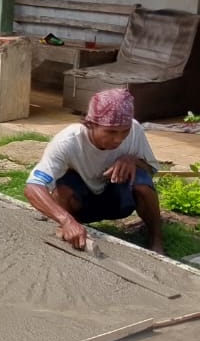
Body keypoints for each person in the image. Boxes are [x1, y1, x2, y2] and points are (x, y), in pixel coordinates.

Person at [24, 87, 164, 254]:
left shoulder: (135, 130)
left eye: (124, 131)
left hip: (117, 201)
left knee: (142, 182)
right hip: (81, 205)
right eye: (111, 132)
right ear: (90, 124)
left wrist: (133, 161)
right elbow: (33, 187)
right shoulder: (68, 141)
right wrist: (66, 220)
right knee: (62, 189)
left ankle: (156, 239)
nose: (118, 139)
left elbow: (150, 170)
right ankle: (68, 228)